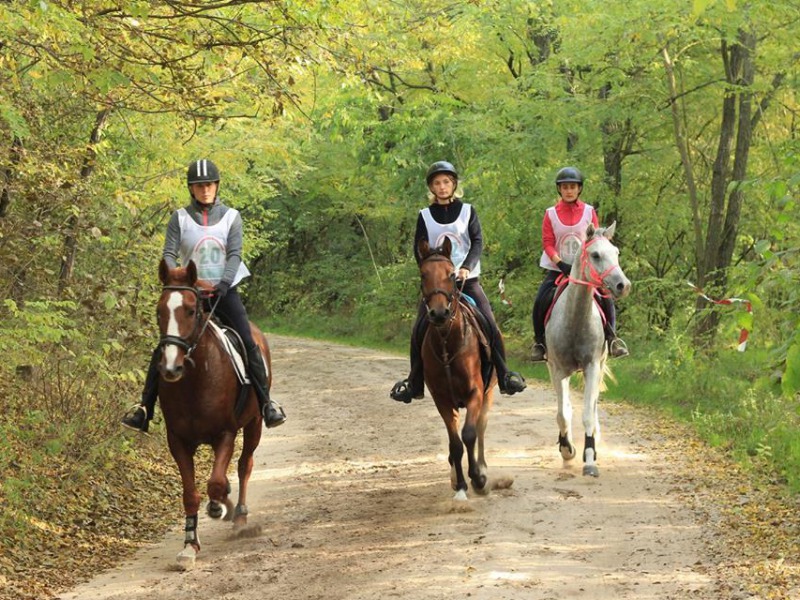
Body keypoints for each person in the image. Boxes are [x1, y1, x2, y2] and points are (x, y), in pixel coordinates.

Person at [122, 158, 286, 432]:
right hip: (189, 293)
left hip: (224, 291)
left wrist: (224, 282)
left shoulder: (232, 217)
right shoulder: (180, 218)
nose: (205, 190)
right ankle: (144, 408)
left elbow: (234, 254)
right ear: (191, 189)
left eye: (209, 184)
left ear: (216, 186)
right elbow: (169, 252)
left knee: (247, 340)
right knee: (167, 343)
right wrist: (175, 276)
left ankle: (266, 403)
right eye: (199, 186)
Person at [390, 160, 527, 403]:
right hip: (438, 285)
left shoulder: (468, 211)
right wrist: (430, 272)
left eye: (446, 182)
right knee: (418, 329)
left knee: (490, 324)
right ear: (431, 188)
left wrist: (466, 267)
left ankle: (505, 375)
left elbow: (477, 242)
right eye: (436, 183)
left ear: (453, 185)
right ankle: (414, 382)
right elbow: (418, 248)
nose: (441, 187)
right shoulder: (424, 216)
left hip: (467, 280)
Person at [530, 166, 628, 362]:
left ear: (579, 189)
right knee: (541, 300)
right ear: (559, 190)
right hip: (558, 269)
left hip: (586, 270)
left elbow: (597, 239)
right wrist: (561, 264)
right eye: (565, 187)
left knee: (605, 298)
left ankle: (612, 338)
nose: (569, 190)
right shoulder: (550, 214)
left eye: (572, 187)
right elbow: (548, 243)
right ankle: (539, 342)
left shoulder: (589, 211)